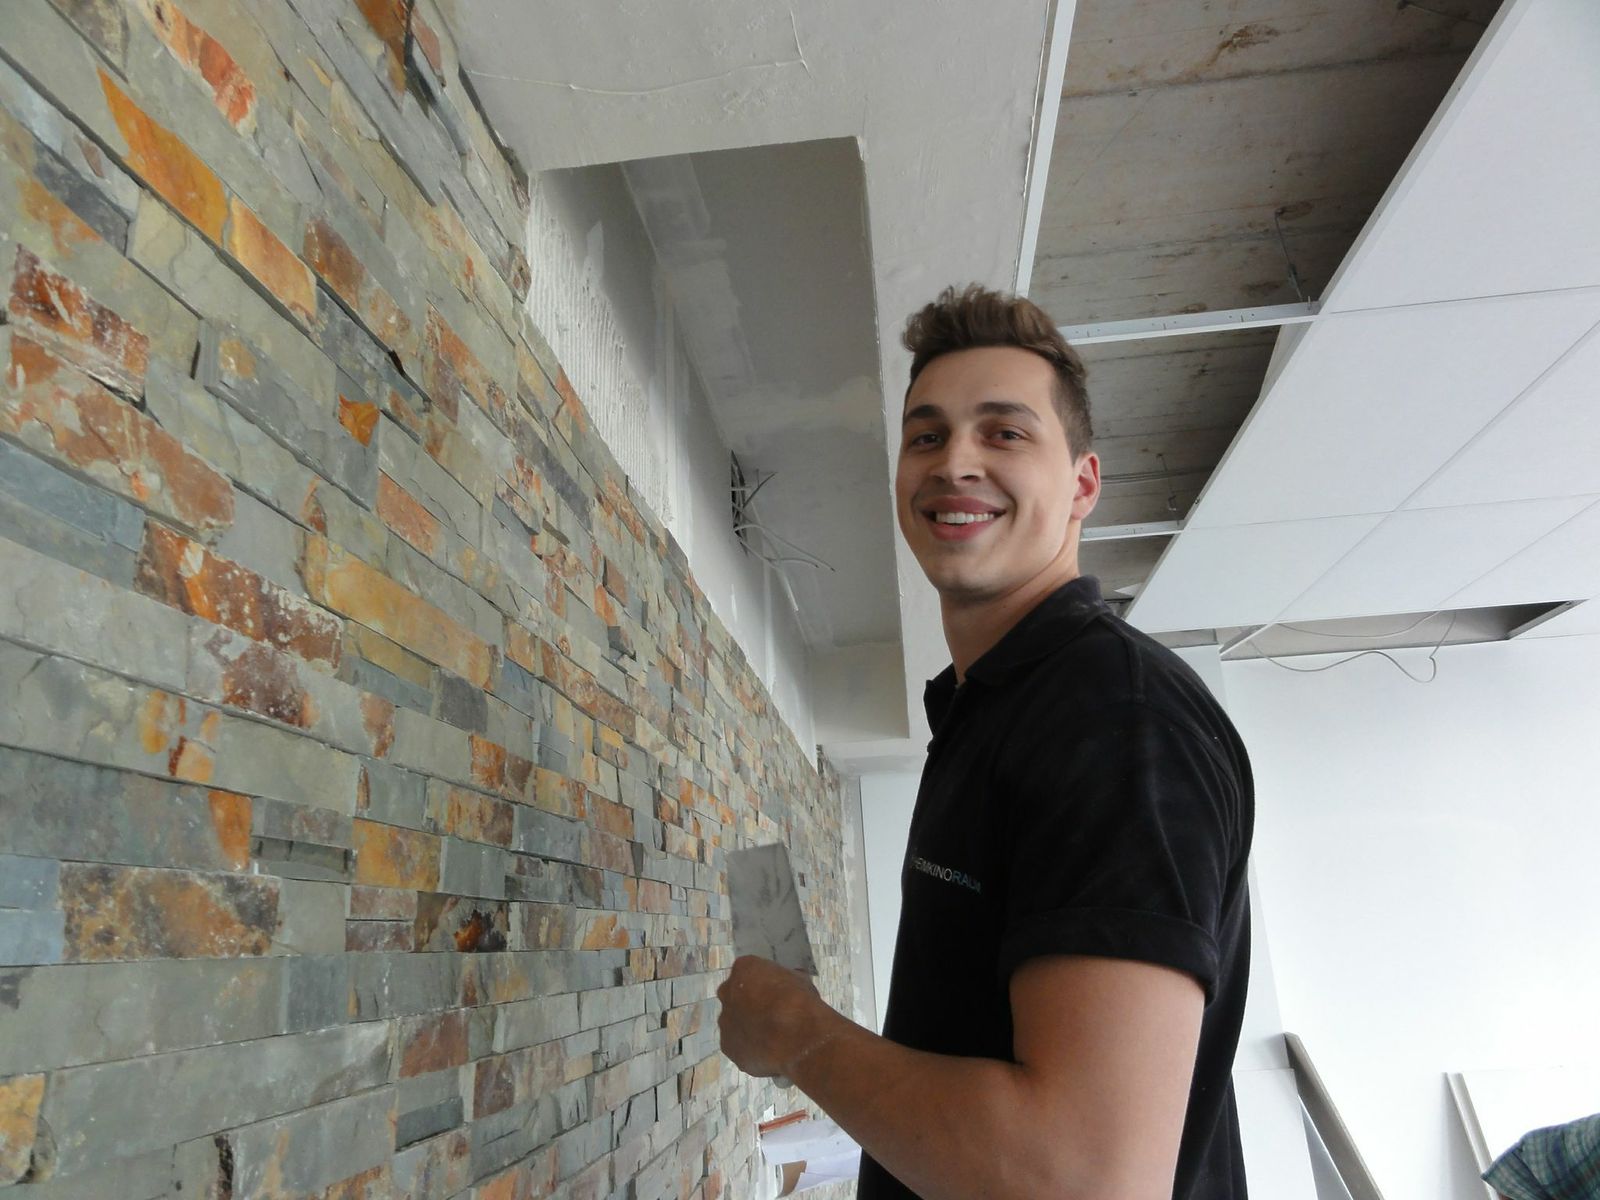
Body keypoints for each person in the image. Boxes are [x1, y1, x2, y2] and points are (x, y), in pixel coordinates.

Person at [718, 284, 1255, 1199]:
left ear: (1082, 483)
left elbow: (1083, 1181)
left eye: (1004, 432)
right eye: (926, 436)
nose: (954, 462)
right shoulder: (992, 711)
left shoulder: (1117, 720)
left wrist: (802, 1037)